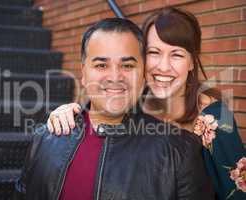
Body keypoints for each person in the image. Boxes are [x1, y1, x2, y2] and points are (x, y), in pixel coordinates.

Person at [46, 7, 246, 200]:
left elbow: (238, 193)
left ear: (192, 62)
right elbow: (95, 118)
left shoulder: (216, 120)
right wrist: (70, 113)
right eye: (154, 52)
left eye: (176, 54)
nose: (163, 67)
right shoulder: (134, 102)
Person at [15, 17, 214, 199]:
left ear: (143, 73)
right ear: (83, 73)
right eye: (101, 65)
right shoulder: (46, 137)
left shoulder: (180, 152)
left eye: (127, 66)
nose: (114, 77)